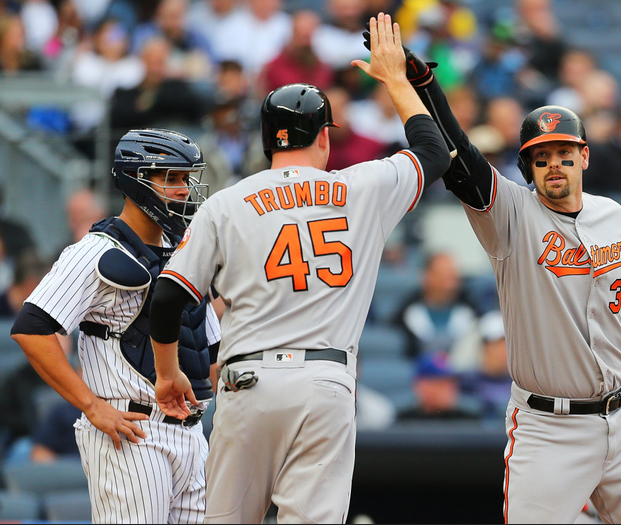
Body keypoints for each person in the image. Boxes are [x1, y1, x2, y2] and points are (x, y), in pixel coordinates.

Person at [375, 32, 621, 522]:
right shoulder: (510, 213)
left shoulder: (613, 215)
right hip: (550, 427)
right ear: (528, 166)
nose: (554, 164)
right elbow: (461, 155)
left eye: (564, 152)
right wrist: (425, 87)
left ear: (584, 157)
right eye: (541, 156)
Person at [148, 13, 450, 524]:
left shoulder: (227, 202)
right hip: (325, 384)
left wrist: (167, 373)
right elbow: (435, 152)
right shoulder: (362, 186)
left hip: (247, 382)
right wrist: (397, 79)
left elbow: (168, 299)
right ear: (325, 137)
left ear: (269, 142)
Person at [10, 128, 221, 523]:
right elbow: (31, 328)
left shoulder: (187, 251)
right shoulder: (96, 251)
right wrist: (91, 407)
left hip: (191, 432)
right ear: (135, 180)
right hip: (130, 429)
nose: (182, 189)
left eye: (184, 179)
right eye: (170, 177)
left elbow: (208, 354)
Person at [396, 351, 482, 421]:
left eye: (452, 383)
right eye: (441, 384)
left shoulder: (468, 420)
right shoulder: (404, 421)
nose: (449, 389)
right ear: (421, 386)